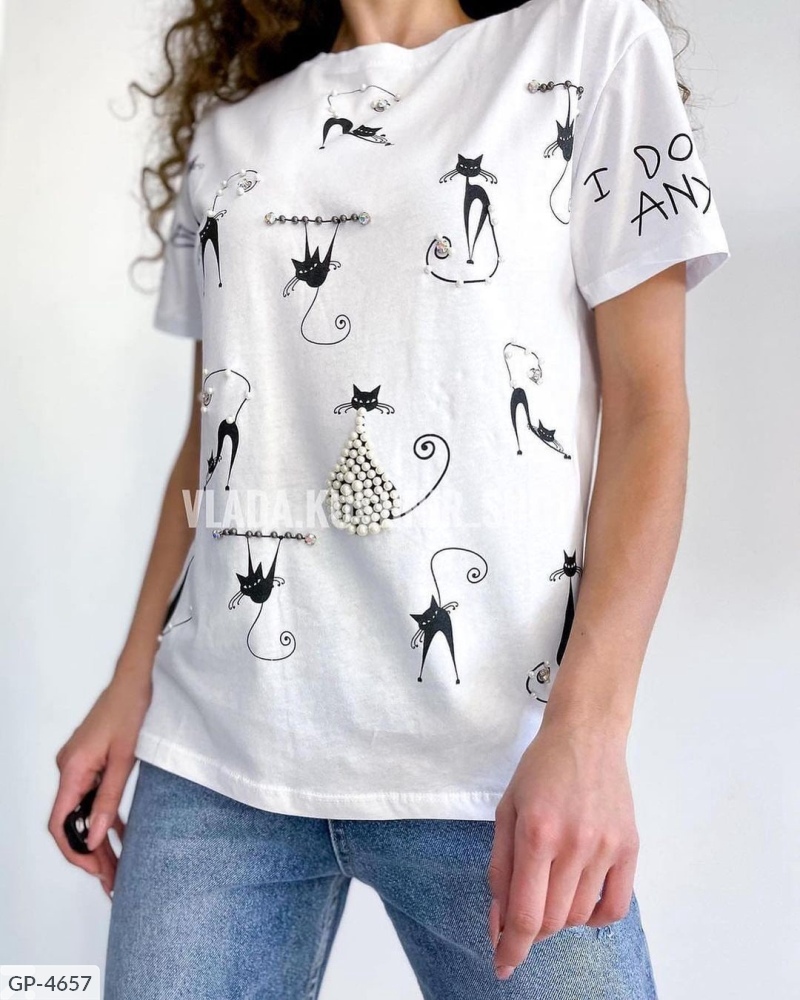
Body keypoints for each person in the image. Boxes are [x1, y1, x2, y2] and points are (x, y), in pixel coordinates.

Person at [48, 0, 730, 995]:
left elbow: (648, 410)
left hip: (491, 762)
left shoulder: (587, 44)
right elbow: (216, 438)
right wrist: (128, 682)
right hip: (214, 763)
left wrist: (589, 731)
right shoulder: (231, 134)